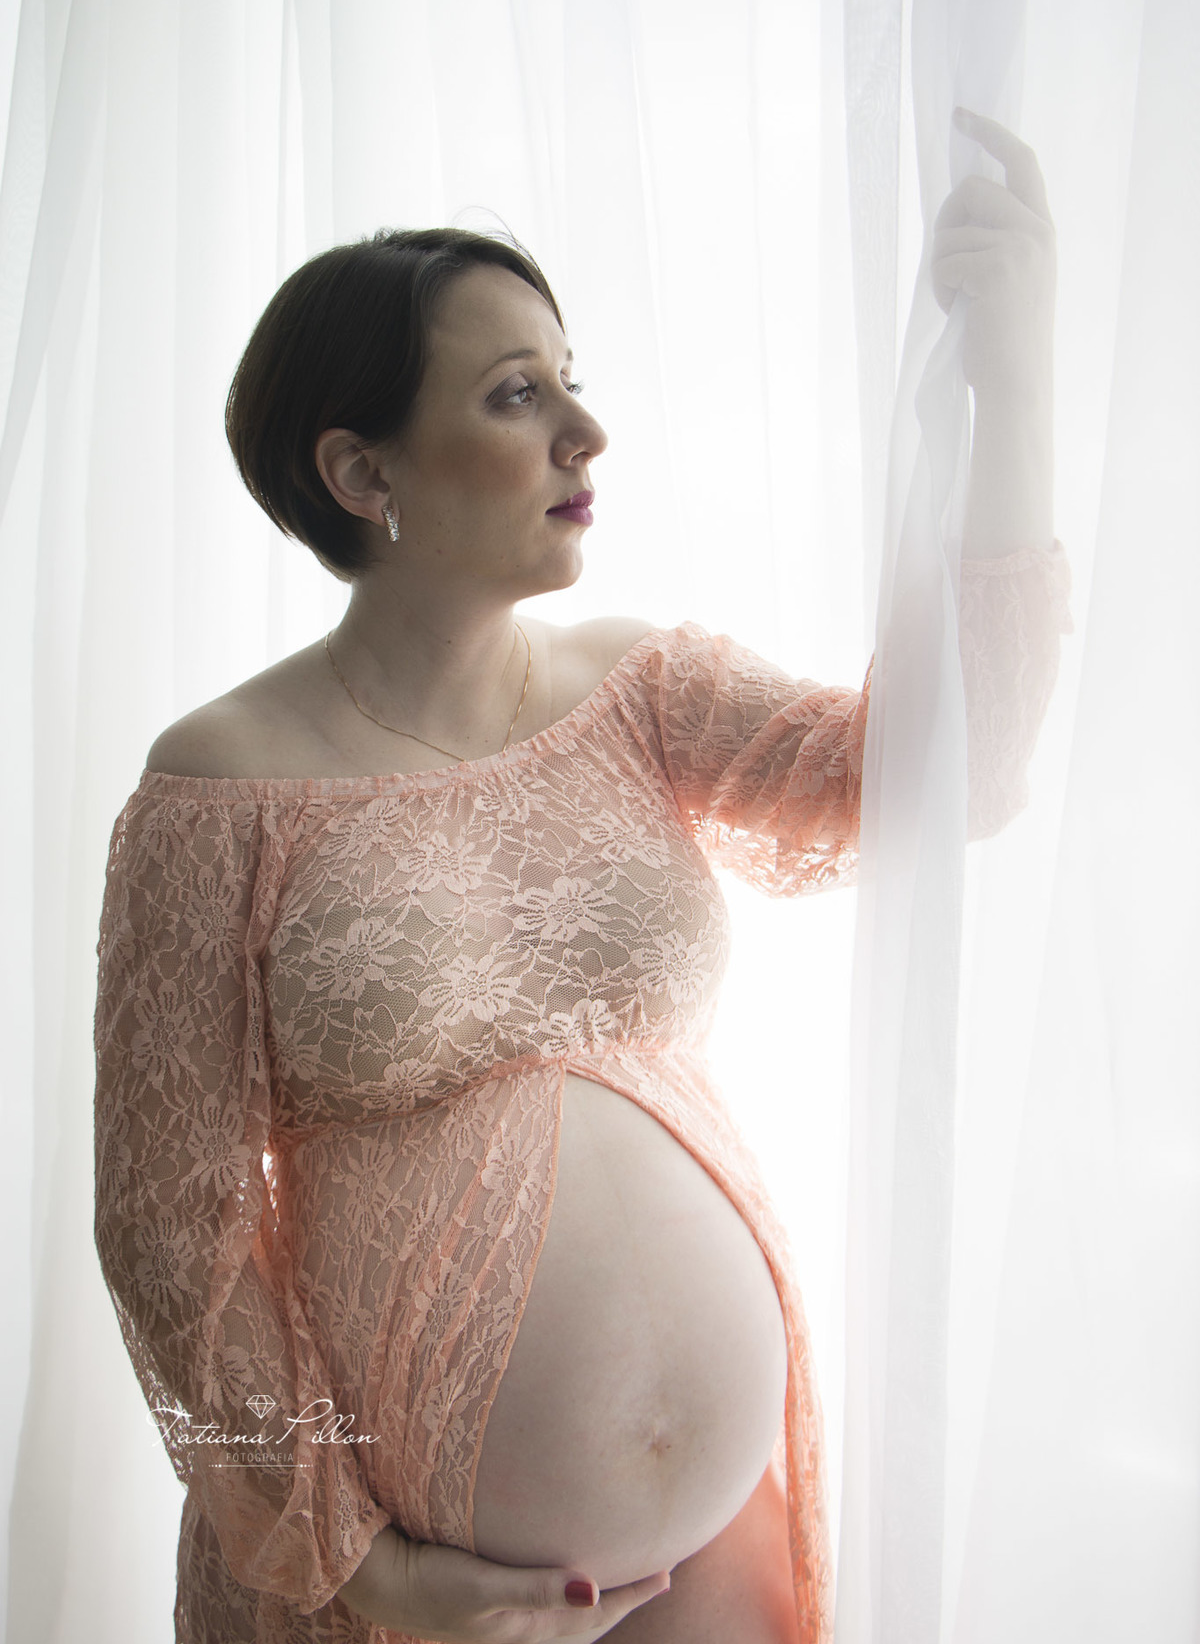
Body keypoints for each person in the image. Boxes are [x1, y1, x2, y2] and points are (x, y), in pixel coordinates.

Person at [92, 110, 1073, 1644]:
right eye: (515, 393)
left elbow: (960, 771)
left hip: (713, 1566)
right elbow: (167, 1241)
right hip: (408, 1599)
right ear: (358, 468)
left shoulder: (644, 691)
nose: (586, 432)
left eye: (572, 379)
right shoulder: (220, 785)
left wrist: (1013, 385)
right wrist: (367, 1569)